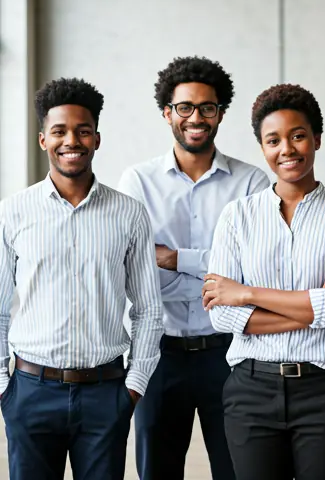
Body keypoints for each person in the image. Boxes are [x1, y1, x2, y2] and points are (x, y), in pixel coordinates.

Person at [203, 83, 325, 480]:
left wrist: (247, 294)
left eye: (298, 136)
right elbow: (222, 318)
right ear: (262, 147)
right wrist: (315, 305)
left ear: (316, 138)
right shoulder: (237, 216)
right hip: (251, 390)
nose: (287, 150)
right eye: (273, 140)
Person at [0, 78, 163, 480]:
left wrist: (134, 387)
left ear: (97, 139)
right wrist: (5, 388)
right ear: (43, 140)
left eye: (82, 131)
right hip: (30, 392)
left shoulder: (129, 214)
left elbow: (148, 310)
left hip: (105, 393)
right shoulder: (13, 213)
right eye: (59, 131)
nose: (71, 140)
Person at [118, 56, 269, 480]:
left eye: (208, 107)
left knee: (238, 469)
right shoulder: (138, 182)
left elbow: (255, 269)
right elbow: (135, 269)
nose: (196, 117)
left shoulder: (252, 183)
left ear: (221, 113)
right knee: (156, 471)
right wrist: (218, 272)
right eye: (185, 107)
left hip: (232, 352)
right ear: (167, 113)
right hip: (159, 353)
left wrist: (174, 259)